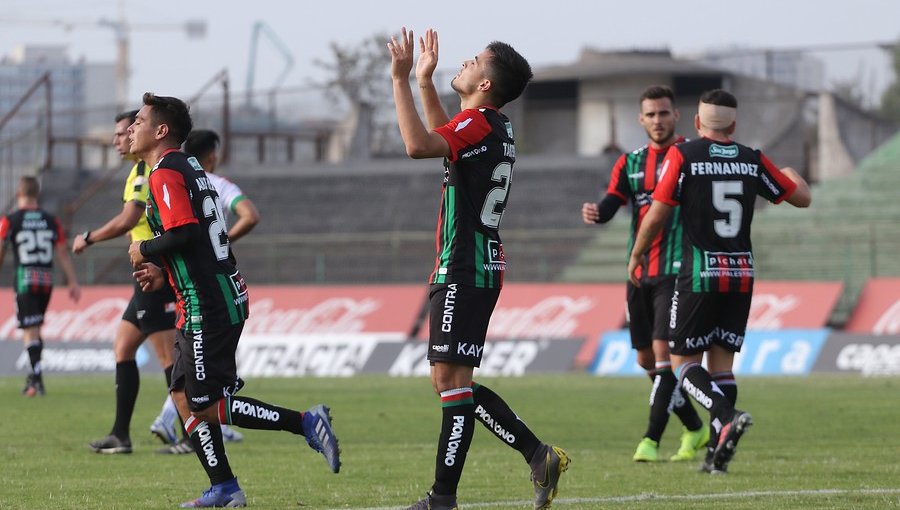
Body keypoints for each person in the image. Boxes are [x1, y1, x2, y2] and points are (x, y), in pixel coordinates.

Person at [126, 92, 340, 507]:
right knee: (183, 397)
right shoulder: (187, 165)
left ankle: (307, 422)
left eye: (138, 121)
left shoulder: (165, 172)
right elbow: (197, 237)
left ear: (161, 130)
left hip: (209, 302)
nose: (132, 128)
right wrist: (162, 269)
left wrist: (146, 250)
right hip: (203, 297)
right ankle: (224, 486)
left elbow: (185, 232)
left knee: (205, 406)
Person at [388, 28, 568, 510]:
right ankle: (537, 455)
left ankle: (442, 498)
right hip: (478, 265)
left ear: (486, 84)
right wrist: (426, 81)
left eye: (472, 61)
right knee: (452, 384)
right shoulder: (491, 125)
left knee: (450, 384)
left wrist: (401, 80)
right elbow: (445, 139)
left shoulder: (481, 123)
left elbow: (419, 145)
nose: (462, 64)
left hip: (463, 267)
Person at [628, 89, 811, 474]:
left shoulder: (684, 155)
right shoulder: (752, 159)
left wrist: (637, 253)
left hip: (698, 274)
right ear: (734, 124)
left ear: (696, 123)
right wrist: (792, 174)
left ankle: (725, 415)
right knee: (722, 366)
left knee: (682, 365)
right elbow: (802, 198)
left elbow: (658, 212)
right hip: (741, 274)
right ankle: (715, 455)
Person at [582, 85, 707, 463]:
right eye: (650, 114)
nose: (657, 120)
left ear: (675, 116)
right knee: (645, 361)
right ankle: (695, 428)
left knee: (662, 354)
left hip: (678, 269)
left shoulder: (689, 156)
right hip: (640, 269)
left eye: (663, 113)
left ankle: (650, 440)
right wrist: (598, 213)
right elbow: (613, 201)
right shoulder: (630, 162)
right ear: (641, 119)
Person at [73, 110, 178, 454]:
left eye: (124, 132)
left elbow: (128, 218)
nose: (119, 139)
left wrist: (89, 237)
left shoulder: (147, 171)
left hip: (155, 271)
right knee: (124, 348)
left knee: (168, 359)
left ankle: (194, 435)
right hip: (145, 271)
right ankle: (121, 435)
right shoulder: (139, 169)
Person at [149, 128, 259, 454]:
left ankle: (172, 420)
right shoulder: (215, 183)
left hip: (176, 276)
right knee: (203, 369)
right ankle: (191, 422)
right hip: (210, 284)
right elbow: (250, 214)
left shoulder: (171, 178)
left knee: (190, 366)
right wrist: (224, 242)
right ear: (212, 155)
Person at [0, 176, 81, 396]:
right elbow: (62, 252)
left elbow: (1, 248)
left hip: (25, 279)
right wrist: (72, 281)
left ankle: (35, 380)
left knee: (30, 330)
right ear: (37, 195)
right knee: (35, 330)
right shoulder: (51, 220)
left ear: (18, 194)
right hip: (46, 280)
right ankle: (34, 377)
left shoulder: (11, 219)